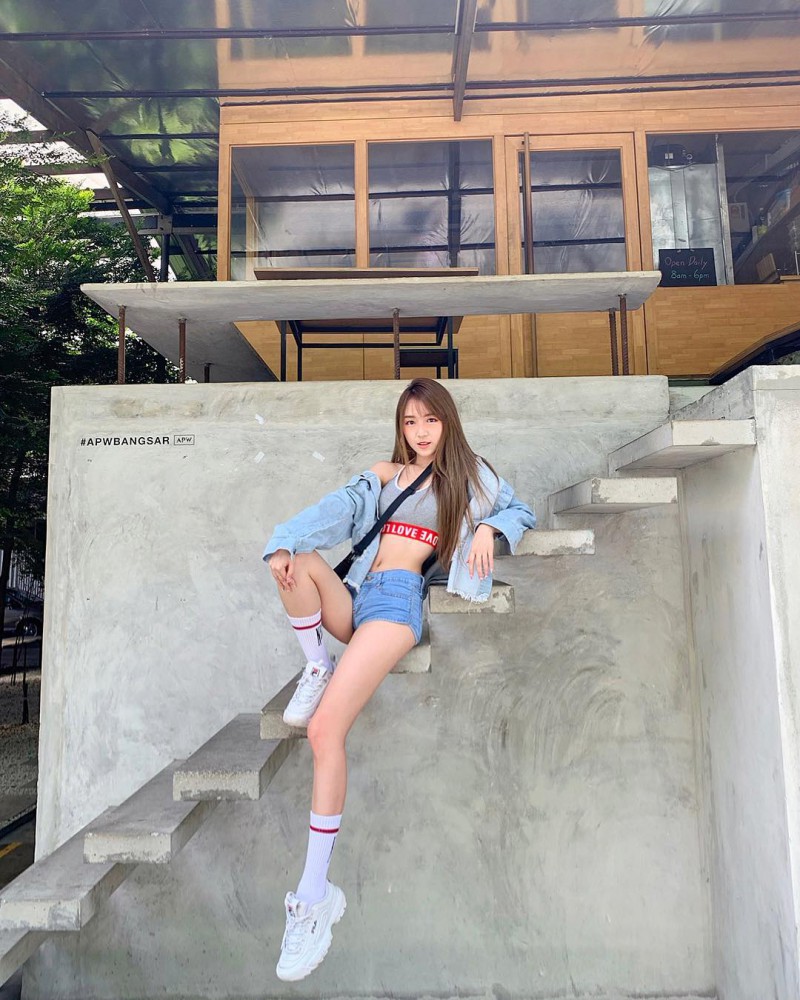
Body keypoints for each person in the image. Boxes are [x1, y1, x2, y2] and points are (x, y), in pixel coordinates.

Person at [263, 377, 535, 982]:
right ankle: (317, 663)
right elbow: (333, 512)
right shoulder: (384, 476)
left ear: (447, 421)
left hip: (395, 603)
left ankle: (314, 897)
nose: (420, 432)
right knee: (298, 562)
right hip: (356, 594)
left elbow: (521, 509)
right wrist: (282, 541)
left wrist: (488, 529)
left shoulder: (471, 477)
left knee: (324, 732)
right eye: (410, 422)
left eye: (430, 420)